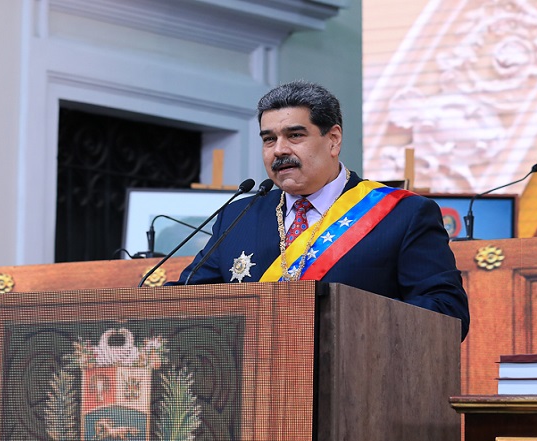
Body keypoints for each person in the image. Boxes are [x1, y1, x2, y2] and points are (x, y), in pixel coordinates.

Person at [169, 80, 469, 340]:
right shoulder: (238, 216)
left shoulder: (402, 214)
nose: (279, 149)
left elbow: (448, 312)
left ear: (333, 140)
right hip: (253, 382)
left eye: (295, 135)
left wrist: (352, 323)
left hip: (357, 379)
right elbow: (185, 303)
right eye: (269, 139)